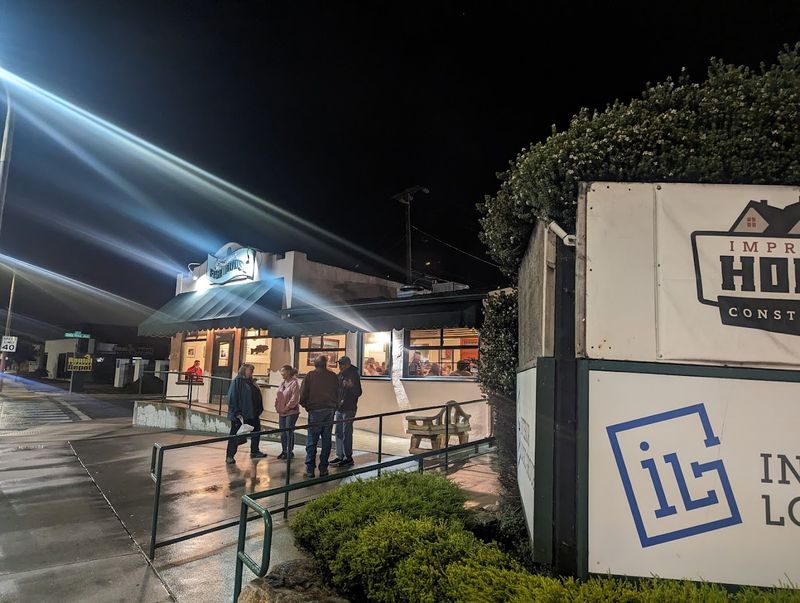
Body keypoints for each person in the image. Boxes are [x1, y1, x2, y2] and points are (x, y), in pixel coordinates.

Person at [299, 355, 338, 478]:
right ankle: (323, 468)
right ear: (325, 364)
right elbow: (338, 392)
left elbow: (303, 393)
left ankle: (310, 468)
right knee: (326, 439)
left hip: (315, 410)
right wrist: (334, 406)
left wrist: (307, 405)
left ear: (315, 364)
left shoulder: (310, 376)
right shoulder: (332, 376)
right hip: (329, 410)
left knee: (312, 439)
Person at [225, 363, 266, 464]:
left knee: (256, 432)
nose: (252, 372)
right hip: (241, 414)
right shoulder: (237, 382)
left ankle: (255, 451)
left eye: (252, 370)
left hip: (253, 413)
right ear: (244, 371)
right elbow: (232, 398)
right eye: (250, 370)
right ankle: (230, 456)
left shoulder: (251, 382)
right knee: (235, 435)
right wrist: (236, 412)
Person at [331, 356, 362, 468]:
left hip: (349, 407)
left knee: (346, 432)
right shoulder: (340, 374)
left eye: (342, 364)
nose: (340, 367)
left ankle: (348, 457)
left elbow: (358, 392)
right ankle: (340, 455)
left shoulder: (353, 374)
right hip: (340, 407)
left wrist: (351, 386)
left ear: (348, 364)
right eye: (339, 364)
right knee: (338, 432)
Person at [275, 364, 301, 460]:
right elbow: (279, 395)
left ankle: (290, 451)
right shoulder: (282, 383)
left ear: (288, 372)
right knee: (282, 432)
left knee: (288, 431)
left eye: (283, 371)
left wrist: (286, 407)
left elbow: (294, 398)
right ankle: (284, 450)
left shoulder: (294, 383)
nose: (282, 373)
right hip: (282, 412)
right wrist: (277, 405)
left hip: (291, 412)